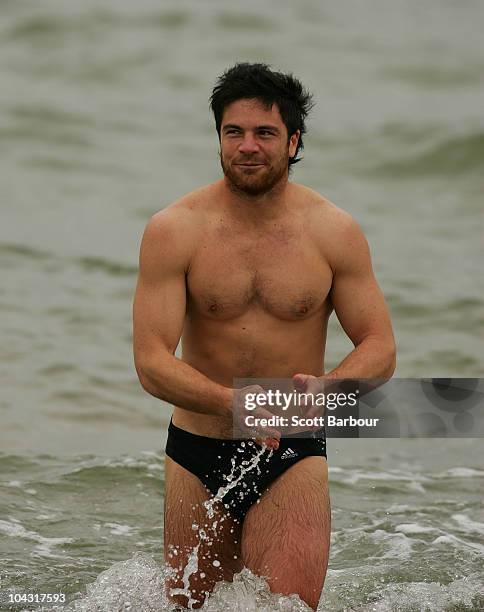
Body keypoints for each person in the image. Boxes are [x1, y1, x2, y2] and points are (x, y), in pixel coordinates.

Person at [132, 62, 396, 610]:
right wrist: (234, 404)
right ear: (219, 137)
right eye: (234, 132)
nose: (247, 146)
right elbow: (152, 362)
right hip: (196, 451)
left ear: (294, 140)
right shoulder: (174, 229)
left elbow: (379, 346)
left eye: (265, 133)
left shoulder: (332, 231)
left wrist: (331, 389)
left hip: (293, 451)